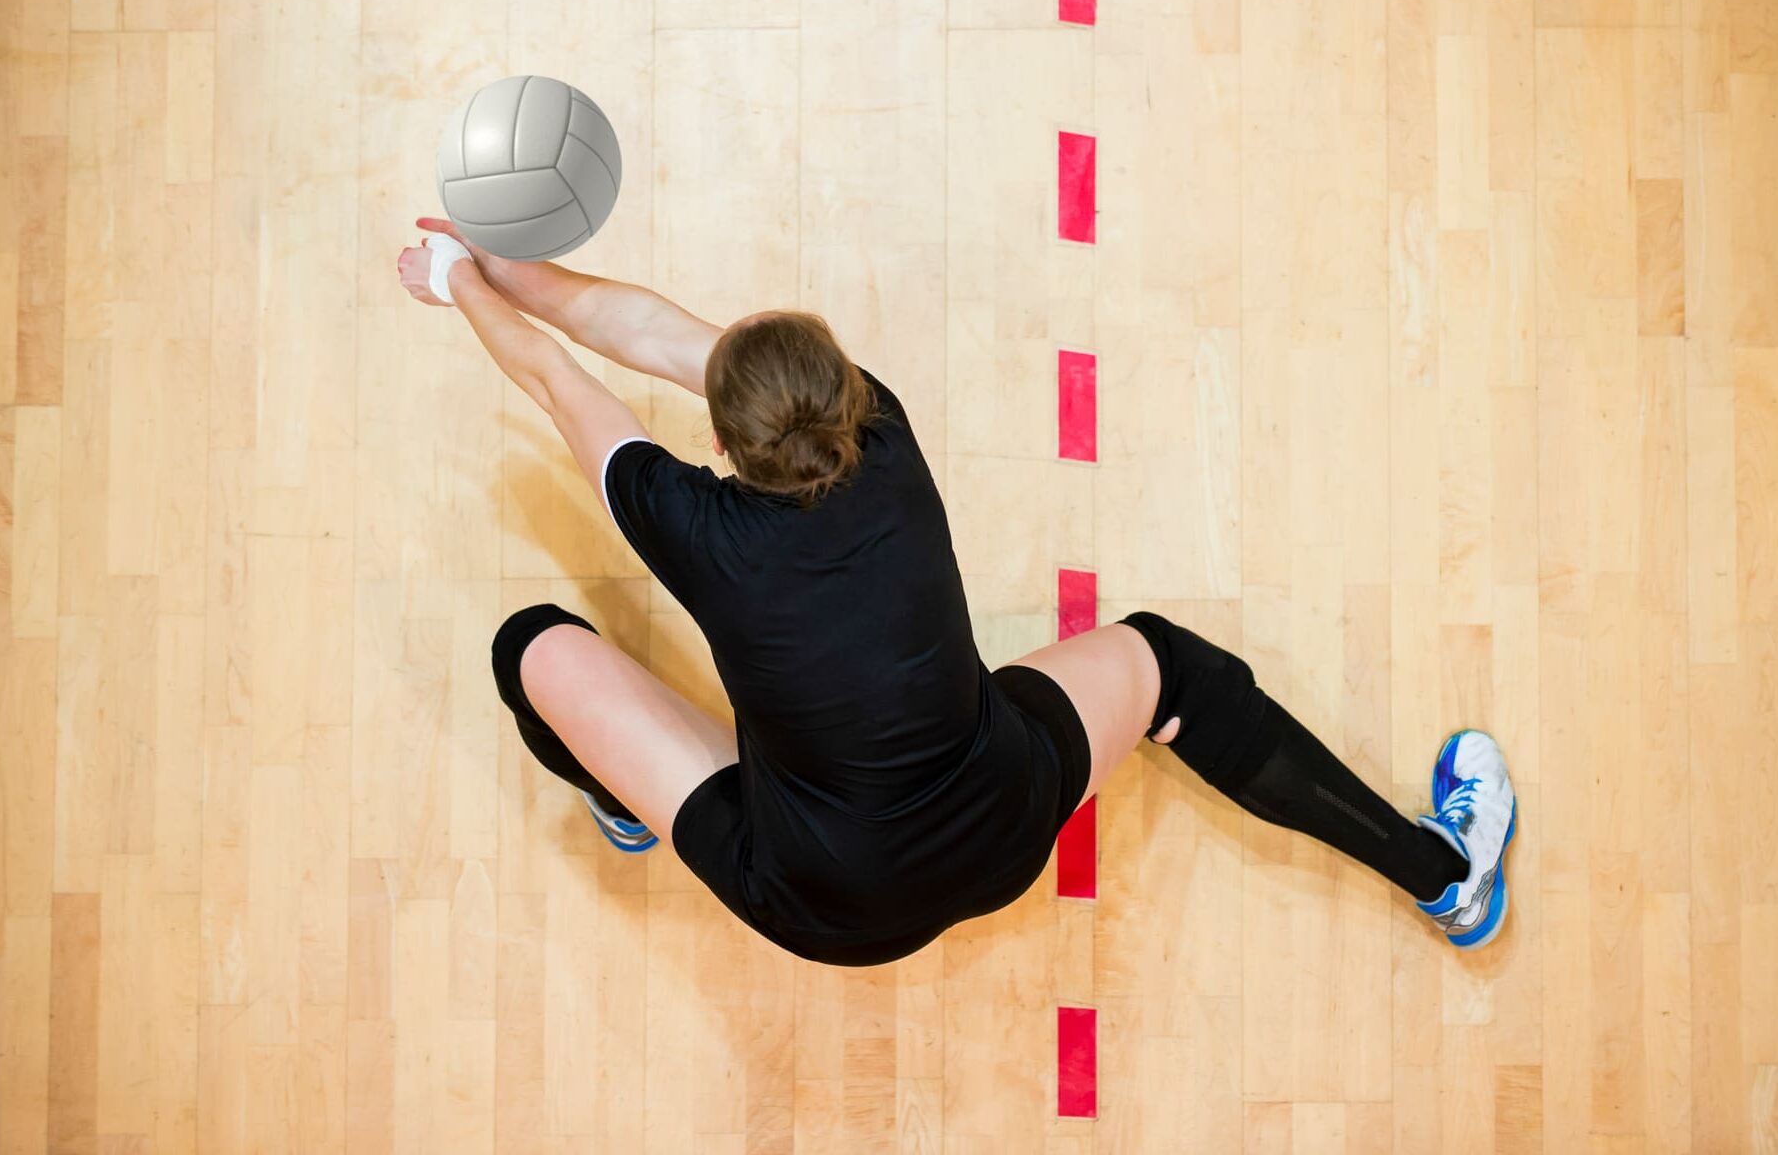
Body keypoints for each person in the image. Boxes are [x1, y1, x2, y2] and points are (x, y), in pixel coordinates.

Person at [394, 220, 1519, 967]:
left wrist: (461, 280)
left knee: (527, 647)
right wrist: (505, 268)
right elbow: (655, 334)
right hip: (1000, 822)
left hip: (823, 900)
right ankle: (1446, 878)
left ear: (725, 446)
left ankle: (632, 798)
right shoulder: (877, 425)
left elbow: (562, 371)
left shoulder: (692, 527)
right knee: (1171, 664)